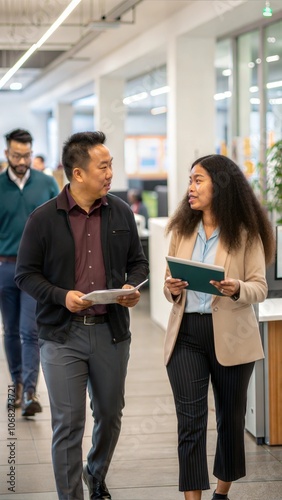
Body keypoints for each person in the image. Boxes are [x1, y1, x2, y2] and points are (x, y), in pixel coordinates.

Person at [15, 131, 149, 500]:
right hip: (62, 335)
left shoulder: (120, 211)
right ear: (77, 174)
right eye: (103, 167)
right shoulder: (43, 219)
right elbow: (25, 274)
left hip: (111, 332)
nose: (110, 174)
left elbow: (138, 263)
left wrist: (131, 288)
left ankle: (96, 471)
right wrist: (62, 296)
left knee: (110, 414)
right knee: (68, 424)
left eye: (111, 166)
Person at [163, 154, 275, 500]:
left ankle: (221, 493)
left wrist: (237, 288)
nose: (190, 188)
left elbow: (259, 286)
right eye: (190, 180)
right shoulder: (181, 230)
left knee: (230, 420)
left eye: (198, 180)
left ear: (221, 186)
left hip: (231, 336)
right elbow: (169, 284)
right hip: (186, 336)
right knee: (191, 422)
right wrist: (172, 288)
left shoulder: (245, 233)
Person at [0, 128, 59, 417]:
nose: (22, 160)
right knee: (10, 331)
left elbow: (60, 227)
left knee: (29, 331)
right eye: (16, 155)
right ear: (6, 154)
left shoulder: (47, 184)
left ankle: (31, 392)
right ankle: (18, 384)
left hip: (35, 272)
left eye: (26, 154)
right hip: (4, 267)